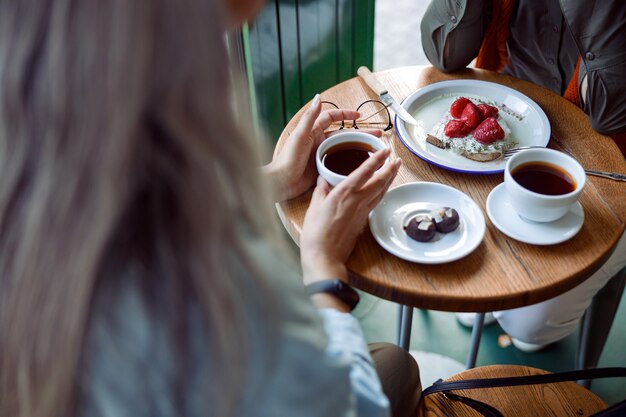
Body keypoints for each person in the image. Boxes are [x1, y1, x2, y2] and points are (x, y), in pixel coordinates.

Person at [0, 1, 421, 417]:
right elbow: (353, 408)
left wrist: (274, 178)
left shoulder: (39, 194)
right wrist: (324, 268)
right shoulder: (219, 297)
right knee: (399, 367)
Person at [420, 0, 626, 351]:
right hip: (510, 130)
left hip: (607, 165)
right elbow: (443, 54)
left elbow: (610, 112)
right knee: (463, 266)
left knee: (529, 327)